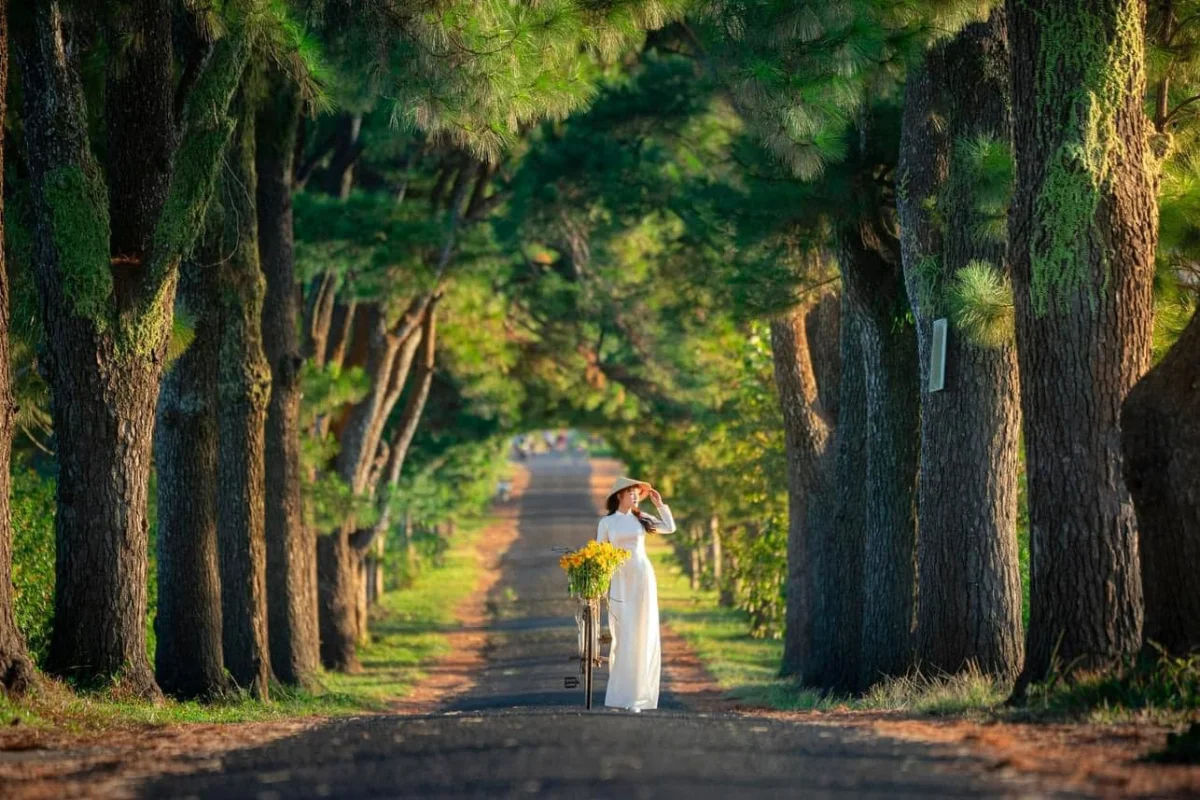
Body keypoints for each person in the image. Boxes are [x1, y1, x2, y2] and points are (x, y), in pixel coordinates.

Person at [595, 476, 676, 712]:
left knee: (643, 631)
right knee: (623, 634)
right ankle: (621, 696)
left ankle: (638, 698)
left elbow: (670, 528)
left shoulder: (641, 519)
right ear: (619, 495)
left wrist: (660, 505)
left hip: (642, 578)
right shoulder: (607, 523)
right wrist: (601, 583)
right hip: (620, 580)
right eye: (630, 492)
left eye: (636, 493)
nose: (634, 496)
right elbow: (600, 552)